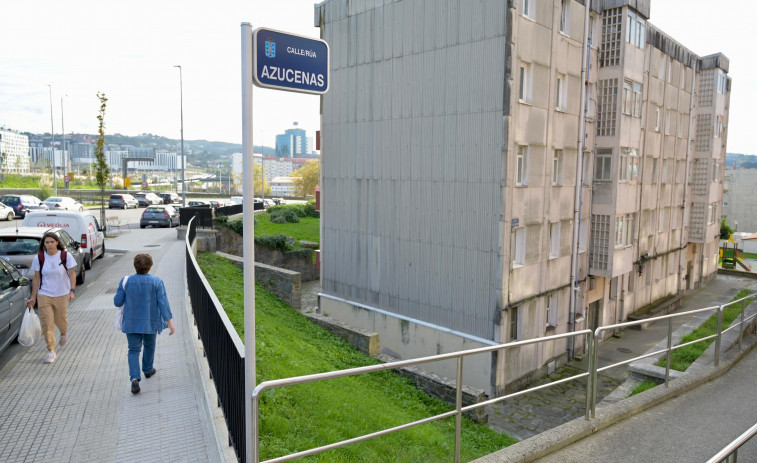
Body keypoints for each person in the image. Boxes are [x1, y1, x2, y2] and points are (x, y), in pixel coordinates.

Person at [114, 253, 175, 394]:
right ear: (150, 266)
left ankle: (134, 379)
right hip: (150, 322)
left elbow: (117, 302)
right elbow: (163, 304)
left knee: (133, 350)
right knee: (149, 346)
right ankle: (148, 369)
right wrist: (170, 323)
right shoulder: (157, 282)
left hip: (131, 323)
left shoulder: (126, 281)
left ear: (135, 266)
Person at [26, 231, 77, 364]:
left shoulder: (66, 256)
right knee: (47, 323)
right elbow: (36, 278)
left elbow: (72, 274)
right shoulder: (39, 258)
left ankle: (64, 332)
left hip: (62, 293)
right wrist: (33, 297)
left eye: (52, 242)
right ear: (44, 244)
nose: (49, 245)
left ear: (57, 243)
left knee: (61, 319)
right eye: (46, 242)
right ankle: (51, 350)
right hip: (44, 293)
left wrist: (72, 290)